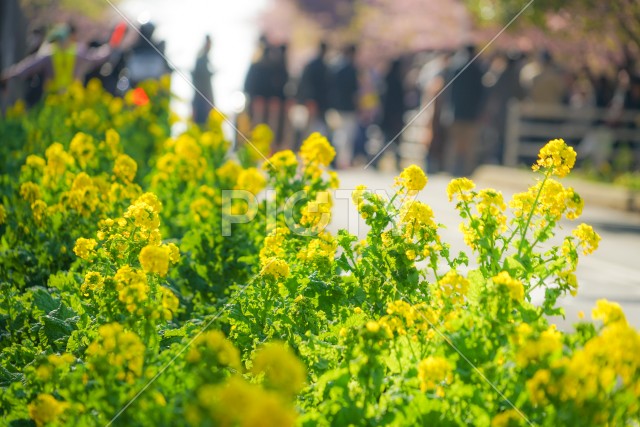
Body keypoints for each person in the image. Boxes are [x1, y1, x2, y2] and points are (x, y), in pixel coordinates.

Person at [1, 23, 115, 96]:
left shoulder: (48, 53)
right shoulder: (78, 52)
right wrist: (111, 46)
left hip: (53, 96)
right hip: (73, 96)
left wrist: (10, 74)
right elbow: (97, 57)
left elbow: (28, 67)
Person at [446, 44, 485, 177]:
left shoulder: (456, 68)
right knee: (469, 145)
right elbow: (481, 94)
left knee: (456, 143)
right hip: (472, 113)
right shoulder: (478, 70)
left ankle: (453, 169)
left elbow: (450, 93)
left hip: (457, 111)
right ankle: (466, 171)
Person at [328, 44, 359, 169]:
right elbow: (354, 90)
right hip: (348, 107)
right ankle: (343, 161)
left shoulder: (334, 67)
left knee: (336, 133)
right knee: (347, 135)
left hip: (335, 106)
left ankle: (335, 158)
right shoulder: (351, 69)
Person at [377, 58, 406, 169]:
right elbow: (400, 101)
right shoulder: (397, 81)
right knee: (395, 141)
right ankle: (397, 163)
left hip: (386, 115)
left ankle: (378, 161)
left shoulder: (386, 80)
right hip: (395, 116)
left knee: (385, 140)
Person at [297, 41, 329, 135]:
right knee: (311, 125)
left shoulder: (314, 64)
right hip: (315, 100)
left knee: (313, 125)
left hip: (314, 100)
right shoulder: (319, 65)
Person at [191, 35, 214, 125]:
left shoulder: (203, 58)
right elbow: (200, 78)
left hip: (202, 96)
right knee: (202, 122)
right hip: (202, 97)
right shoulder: (201, 59)